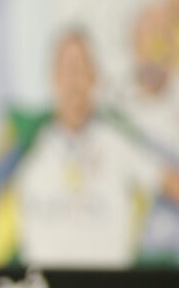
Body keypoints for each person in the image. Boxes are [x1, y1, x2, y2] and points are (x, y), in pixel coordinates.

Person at [13, 29, 179, 267]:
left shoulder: (116, 141)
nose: (74, 81)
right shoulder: (28, 148)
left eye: (80, 69)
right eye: (67, 69)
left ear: (94, 78)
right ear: (53, 77)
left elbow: (168, 181)